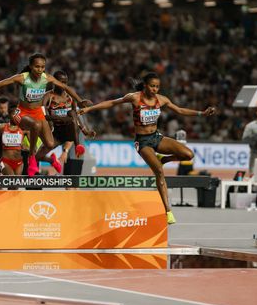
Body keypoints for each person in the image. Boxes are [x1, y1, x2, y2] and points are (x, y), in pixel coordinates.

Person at [78, 72, 216, 224]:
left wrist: (201, 113)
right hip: (142, 142)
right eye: (152, 86)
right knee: (159, 172)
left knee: (188, 154)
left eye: (157, 86)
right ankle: (168, 211)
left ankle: (164, 159)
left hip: (156, 137)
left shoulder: (162, 100)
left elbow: (180, 110)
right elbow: (112, 103)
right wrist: (90, 109)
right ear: (145, 85)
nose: (155, 89)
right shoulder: (134, 97)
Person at [0, 53, 91, 176]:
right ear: (31, 66)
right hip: (22, 112)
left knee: (50, 144)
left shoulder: (46, 78)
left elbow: (65, 87)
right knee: (35, 125)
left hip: (37, 113)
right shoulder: (23, 78)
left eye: (43, 67)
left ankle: (50, 158)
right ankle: (31, 158)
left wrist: (80, 100)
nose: (40, 70)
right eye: (37, 67)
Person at [36, 70, 96, 169]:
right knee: (37, 156)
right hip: (56, 133)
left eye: (65, 82)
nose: (63, 84)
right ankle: (52, 160)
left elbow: (75, 116)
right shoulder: (48, 96)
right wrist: (59, 118)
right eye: (61, 82)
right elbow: (43, 115)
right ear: (54, 82)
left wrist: (85, 131)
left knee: (72, 113)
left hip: (69, 131)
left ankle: (77, 146)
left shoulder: (70, 97)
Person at [0, 99, 25, 176]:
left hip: (17, 160)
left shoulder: (21, 125)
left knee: (14, 185)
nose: (3, 110)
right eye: (1, 108)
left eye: (5, 107)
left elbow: (29, 134)